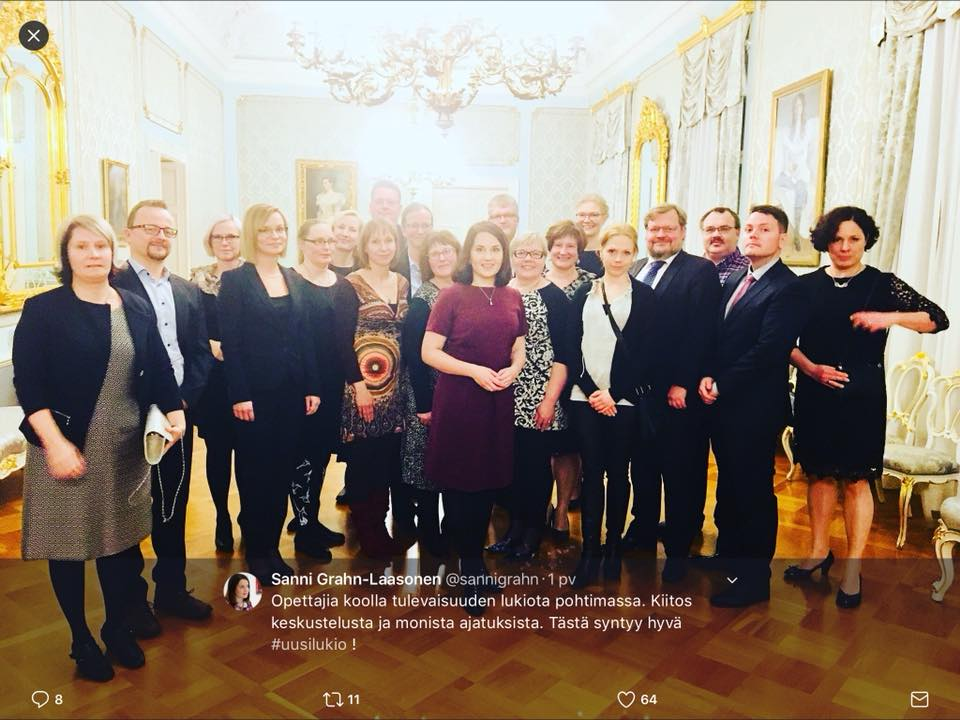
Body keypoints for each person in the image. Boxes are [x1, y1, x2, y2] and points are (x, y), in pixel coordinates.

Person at [14, 214, 184, 682]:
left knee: (119, 543)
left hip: (125, 446)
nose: (93, 254)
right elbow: (29, 385)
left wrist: (176, 413)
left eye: (101, 246)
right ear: (66, 256)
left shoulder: (134, 305)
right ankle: (81, 638)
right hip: (66, 444)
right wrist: (55, 444)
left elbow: (159, 367)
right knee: (68, 545)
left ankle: (116, 625)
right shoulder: (44, 309)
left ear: (113, 252)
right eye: (82, 246)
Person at [786, 206, 949, 608]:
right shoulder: (804, 286)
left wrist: (888, 317)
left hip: (862, 395)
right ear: (825, 242)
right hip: (815, 390)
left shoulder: (882, 283)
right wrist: (810, 369)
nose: (844, 247)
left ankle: (853, 569)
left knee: (857, 480)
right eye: (837, 239)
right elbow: (781, 340)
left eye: (853, 239)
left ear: (865, 241)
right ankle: (818, 551)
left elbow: (937, 319)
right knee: (819, 475)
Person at [698, 204, 808, 608]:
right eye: (748, 228)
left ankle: (754, 579)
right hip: (723, 403)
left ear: (782, 238)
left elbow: (769, 350)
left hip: (755, 408)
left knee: (754, 492)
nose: (753, 235)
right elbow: (718, 336)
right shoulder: (736, 277)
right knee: (729, 485)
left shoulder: (788, 287)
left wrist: (721, 383)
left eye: (764, 229)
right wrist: (707, 375)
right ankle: (728, 558)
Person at [115, 199, 214, 630]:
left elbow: (200, 353)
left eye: (167, 230)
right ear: (129, 234)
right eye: (150, 228)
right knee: (128, 506)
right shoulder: (112, 285)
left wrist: (183, 401)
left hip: (175, 416)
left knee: (172, 503)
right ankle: (132, 602)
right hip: (128, 412)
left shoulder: (187, 290)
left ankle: (172, 590)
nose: (160, 237)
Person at [422, 221, 526, 614]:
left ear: (503, 254)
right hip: (460, 401)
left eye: (495, 249)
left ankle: (476, 564)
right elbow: (429, 352)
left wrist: (514, 370)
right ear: (469, 253)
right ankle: (466, 569)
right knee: (459, 484)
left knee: (487, 484)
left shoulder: (511, 296)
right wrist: (473, 371)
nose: (488, 256)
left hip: (497, 400)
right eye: (480, 248)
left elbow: (518, 347)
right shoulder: (451, 295)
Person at [218, 204, 321, 585]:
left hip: (292, 393)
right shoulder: (235, 280)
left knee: (281, 472)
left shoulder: (293, 278)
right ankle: (256, 551)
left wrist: (312, 385)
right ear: (252, 234)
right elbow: (232, 342)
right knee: (254, 474)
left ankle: (273, 549)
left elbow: (305, 337)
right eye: (266, 230)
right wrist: (239, 393)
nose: (275, 236)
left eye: (280, 229)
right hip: (253, 396)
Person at [623, 204, 721, 583]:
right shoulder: (634, 268)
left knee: (681, 469)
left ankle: (679, 544)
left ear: (682, 231)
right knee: (643, 465)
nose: (660, 235)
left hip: (677, 392)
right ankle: (643, 527)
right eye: (654, 229)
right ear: (645, 233)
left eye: (668, 229)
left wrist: (682, 381)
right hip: (640, 392)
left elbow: (701, 331)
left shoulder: (699, 271)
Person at [567, 224, 656, 589]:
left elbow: (649, 353)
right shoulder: (583, 293)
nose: (618, 258)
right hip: (584, 397)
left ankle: (613, 548)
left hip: (624, 400)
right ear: (600, 252)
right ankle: (589, 552)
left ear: (634, 254)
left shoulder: (645, 296)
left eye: (625, 252)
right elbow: (571, 345)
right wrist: (593, 391)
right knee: (591, 474)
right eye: (612, 251)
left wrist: (614, 392)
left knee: (619, 473)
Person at [486, 232, 569, 561]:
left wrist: (549, 401)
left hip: (540, 394)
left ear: (544, 257)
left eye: (535, 253)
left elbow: (564, 355)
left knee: (535, 467)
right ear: (512, 257)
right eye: (521, 253)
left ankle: (532, 532)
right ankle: (514, 530)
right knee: (511, 467)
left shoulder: (556, 297)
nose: (528, 259)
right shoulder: (501, 293)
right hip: (505, 391)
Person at [340, 219, 411, 558]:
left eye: (389, 241)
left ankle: (380, 526)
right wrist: (359, 386)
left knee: (386, 460)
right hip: (363, 387)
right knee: (363, 461)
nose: (384, 247)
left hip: (395, 388)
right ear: (365, 246)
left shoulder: (402, 282)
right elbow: (341, 341)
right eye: (376, 241)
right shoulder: (350, 285)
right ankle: (367, 531)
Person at [288, 219, 356, 560]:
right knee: (301, 457)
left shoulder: (342, 286)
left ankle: (312, 520)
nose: (326, 246)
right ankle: (303, 529)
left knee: (320, 455)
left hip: (332, 383)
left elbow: (346, 339)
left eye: (330, 240)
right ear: (302, 243)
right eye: (318, 241)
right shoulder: (289, 281)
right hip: (300, 384)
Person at [400, 230, 461, 557]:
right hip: (429, 393)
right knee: (425, 464)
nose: (442, 257)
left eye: (447, 250)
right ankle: (428, 531)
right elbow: (414, 354)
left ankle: (452, 526)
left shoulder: (466, 290)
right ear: (427, 260)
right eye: (435, 253)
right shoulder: (423, 299)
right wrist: (424, 404)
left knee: (453, 462)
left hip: (459, 392)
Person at [189, 215, 243, 553]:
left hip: (249, 377)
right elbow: (189, 324)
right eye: (219, 236)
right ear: (210, 242)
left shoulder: (254, 276)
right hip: (213, 379)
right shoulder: (197, 279)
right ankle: (222, 517)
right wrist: (208, 343)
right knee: (219, 451)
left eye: (232, 236)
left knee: (250, 453)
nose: (225, 242)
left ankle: (249, 518)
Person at [543, 220, 595, 538]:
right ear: (549, 249)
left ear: (579, 251)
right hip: (536, 376)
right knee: (540, 449)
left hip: (578, 375)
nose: (563, 251)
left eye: (570, 246)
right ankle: (540, 507)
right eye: (558, 245)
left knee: (568, 447)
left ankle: (562, 510)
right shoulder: (533, 278)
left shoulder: (592, 283)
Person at [368, 180, 409, 279]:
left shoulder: (409, 239)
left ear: (399, 208)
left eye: (390, 202)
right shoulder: (359, 238)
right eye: (379, 202)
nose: (385, 206)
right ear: (370, 207)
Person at [700, 206, 750, 286]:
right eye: (710, 229)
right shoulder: (690, 268)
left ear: (737, 233)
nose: (716, 235)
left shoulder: (749, 270)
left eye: (724, 229)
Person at [400, 202, 434, 295]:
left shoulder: (441, 264)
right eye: (414, 225)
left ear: (432, 228)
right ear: (403, 230)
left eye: (425, 225)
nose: (420, 231)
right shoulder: (393, 266)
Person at [574, 194, 610, 276]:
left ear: (605, 217)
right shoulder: (566, 251)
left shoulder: (611, 252)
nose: (587, 220)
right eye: (582, 215)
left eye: (594, 215)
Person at [331, 209, 363, 277]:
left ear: (360, 236)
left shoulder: (364, 267)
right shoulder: (319, 264)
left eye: (352, 230)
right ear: (332, 230)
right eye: (341, 227)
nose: (345, 234)